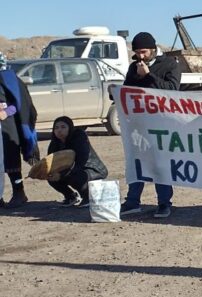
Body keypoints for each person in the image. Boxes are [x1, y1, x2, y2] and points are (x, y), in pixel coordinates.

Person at [121, 31, 182, 219]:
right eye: (137, 52)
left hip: (162, 124)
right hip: (139, 125)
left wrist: (148, 76)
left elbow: (172, 90)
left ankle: (164, 203)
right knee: (136, 161)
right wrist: (117, 90)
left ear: (154, 50)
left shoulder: (170, 64)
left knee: (160, 164)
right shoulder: (134, 67)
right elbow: (127, 90)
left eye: (144, 52)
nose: (141, 56)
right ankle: (132, 201)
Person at [45, 116, 109, 207]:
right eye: (56, 128)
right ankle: (71, 197)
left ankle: (88, 197)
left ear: (69, 128)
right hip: (73, 170)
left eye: (63, 127)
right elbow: (50, 162)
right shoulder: (54, 144)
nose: (59, 130)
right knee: (52, 177)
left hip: (92, 169)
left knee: (74, 176)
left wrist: (62, 174)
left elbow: (81, 160)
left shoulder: (79, 137)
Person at [0, 59, 38, 209]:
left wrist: (6, 112)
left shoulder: (9, 79)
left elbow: (20, 105)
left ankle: (19, 193)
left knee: (10, 160)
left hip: (7, 126)